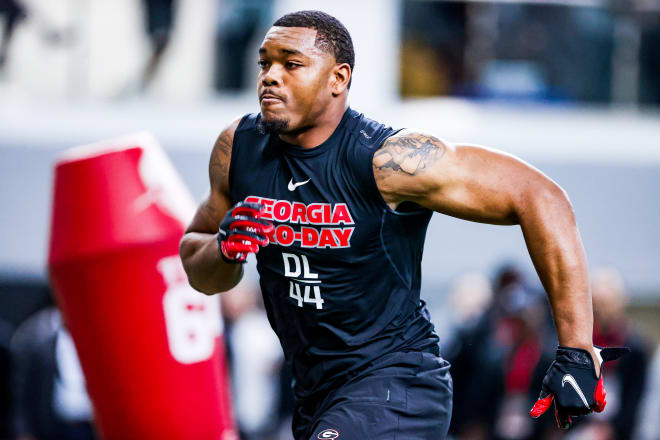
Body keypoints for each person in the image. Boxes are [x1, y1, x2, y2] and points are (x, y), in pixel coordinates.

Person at [179, 10, 627, 439]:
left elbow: (541, 196)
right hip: (316, 396)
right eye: (265, 64)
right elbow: (199, 267)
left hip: (397, 385)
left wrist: (576, 349)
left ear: (339, 79)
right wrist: (225, 249)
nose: (270, 77)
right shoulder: (239, 148)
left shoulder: (388, 159)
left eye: (291, 64)